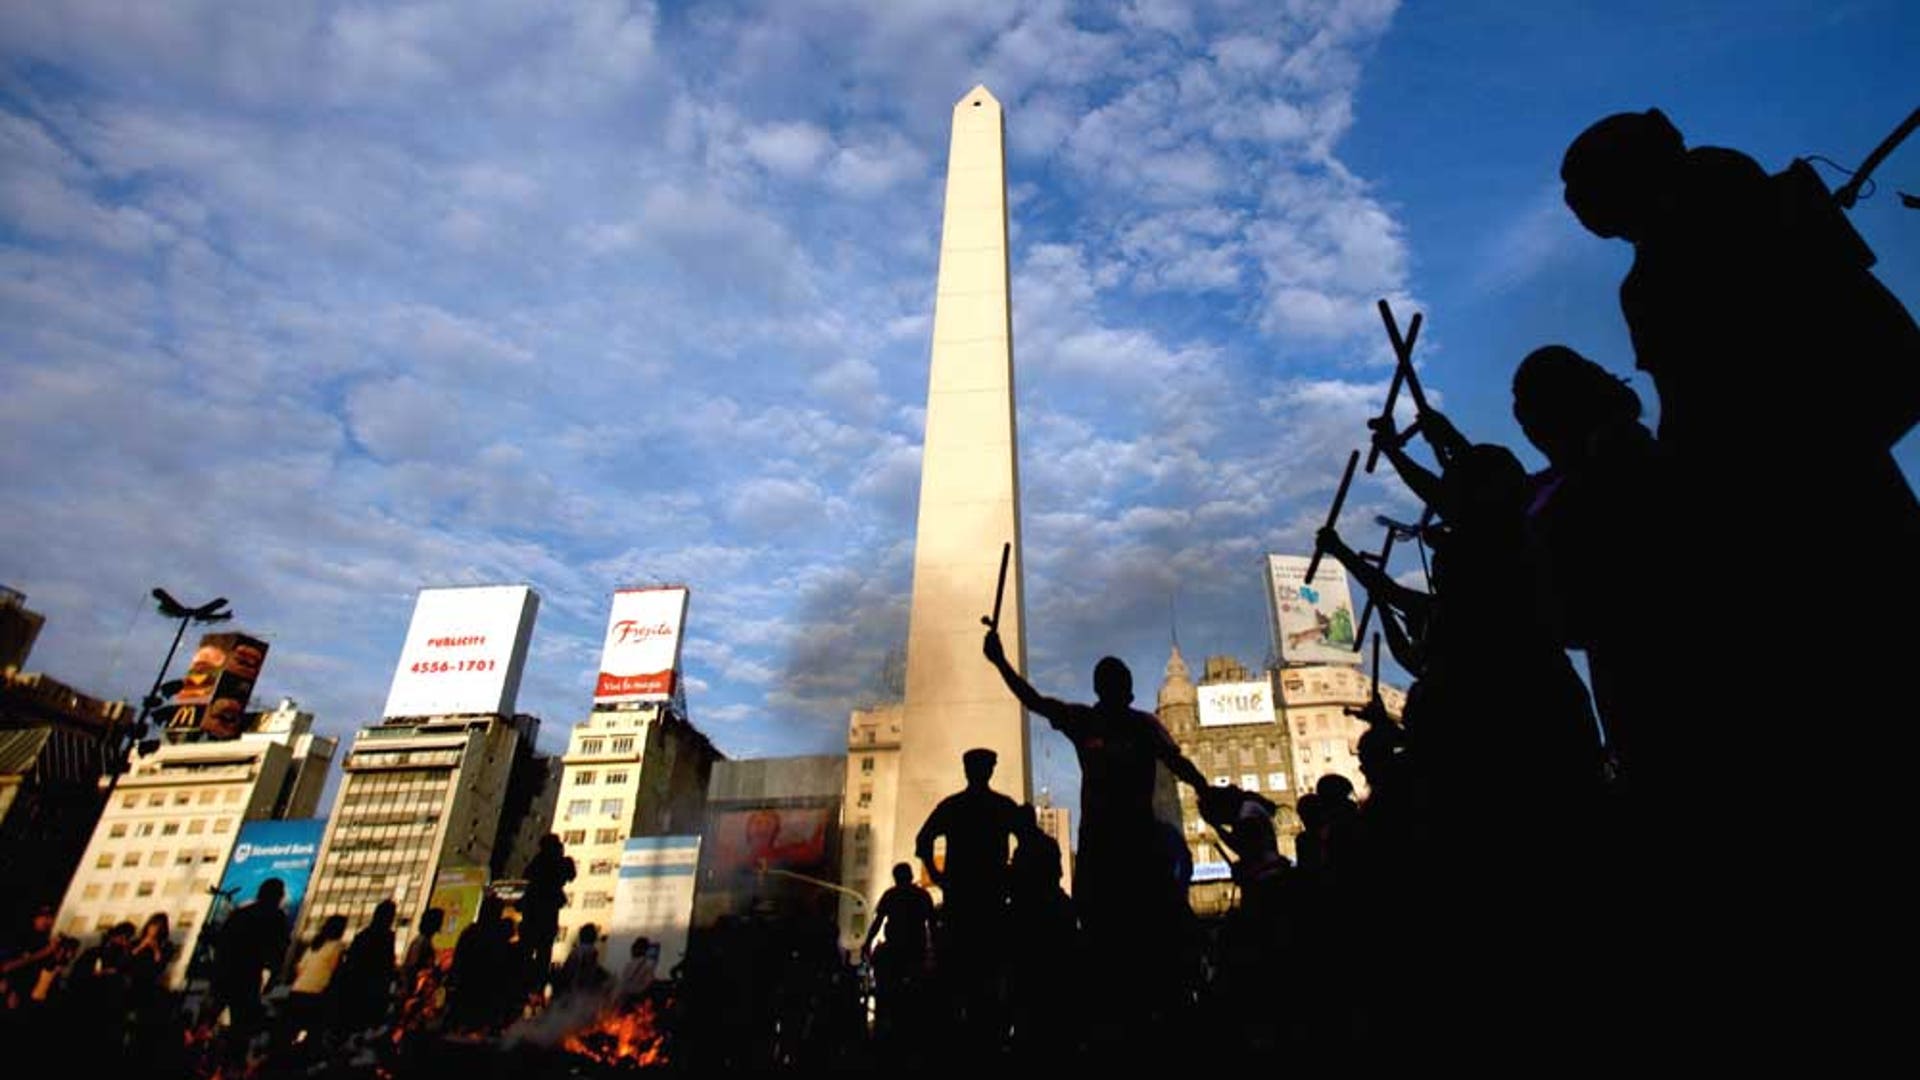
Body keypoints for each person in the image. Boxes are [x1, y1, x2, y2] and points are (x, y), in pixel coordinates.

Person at [915, 748, 1022, 1053]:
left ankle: (960, 1043)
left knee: (960, 975)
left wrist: (939, 876)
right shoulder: (1002, 806)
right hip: (989, 903)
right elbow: (1027, 837)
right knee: (989, 976)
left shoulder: (952, 807)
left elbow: (922, 842)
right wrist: (1011, 874)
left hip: (962, 903)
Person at [206, 878, 290, 1058]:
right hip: (248, 975)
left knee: (210, 1017)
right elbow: (279, 951)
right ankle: (230, 1064)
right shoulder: (276, 917)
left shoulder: (241, 913)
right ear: (279, 895)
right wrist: (273, 978)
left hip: (226, 971)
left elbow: (222, 942)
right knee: (241, 1027)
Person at [862, 863, 933, 1048]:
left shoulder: (891, 895)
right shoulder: (922, 896)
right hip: (914, 952)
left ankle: (883, 1030)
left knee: (886, 994)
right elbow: (932, 925)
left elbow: (878, 922)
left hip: (896, 951)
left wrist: (867, 943)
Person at [518, 834, 576, 997]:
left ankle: (532, 983)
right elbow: (569, 874)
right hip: (541, 912)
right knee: (540, 950)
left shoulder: (540, 862)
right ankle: (534, 984)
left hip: (536, 912)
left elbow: (570, 874)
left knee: (535, 950)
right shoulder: (548, 862)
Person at [333, 900, 398, 1033]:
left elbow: (350, 962)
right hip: (372, 993)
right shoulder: (387, 937)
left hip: (353, 991)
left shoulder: (362, 936)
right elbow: (387, 966)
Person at [551, 924, 610, 999]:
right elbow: (589, 970)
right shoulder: (590, 951)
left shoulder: (575, 951)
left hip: (572, 988)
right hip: (580, 989)